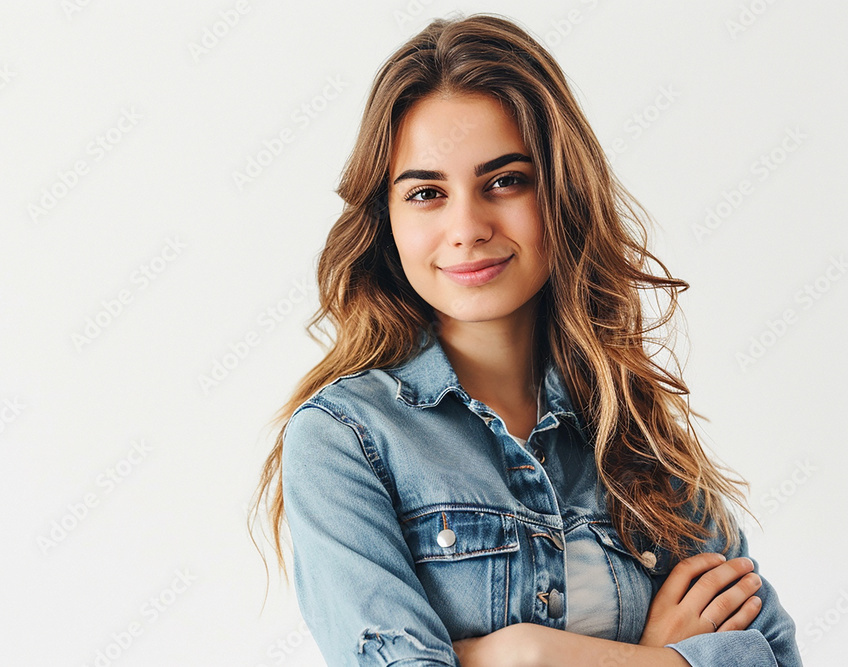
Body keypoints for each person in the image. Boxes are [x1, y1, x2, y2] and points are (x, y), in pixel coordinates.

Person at [248, 12, 801, 667]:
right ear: (387, 220)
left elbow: (773, 654)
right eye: (426, 192)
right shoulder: (346, 439)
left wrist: (523, 653)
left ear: (561, 190)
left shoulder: (635, 430)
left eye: (505, 180)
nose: (468, 226)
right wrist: (660, 658)